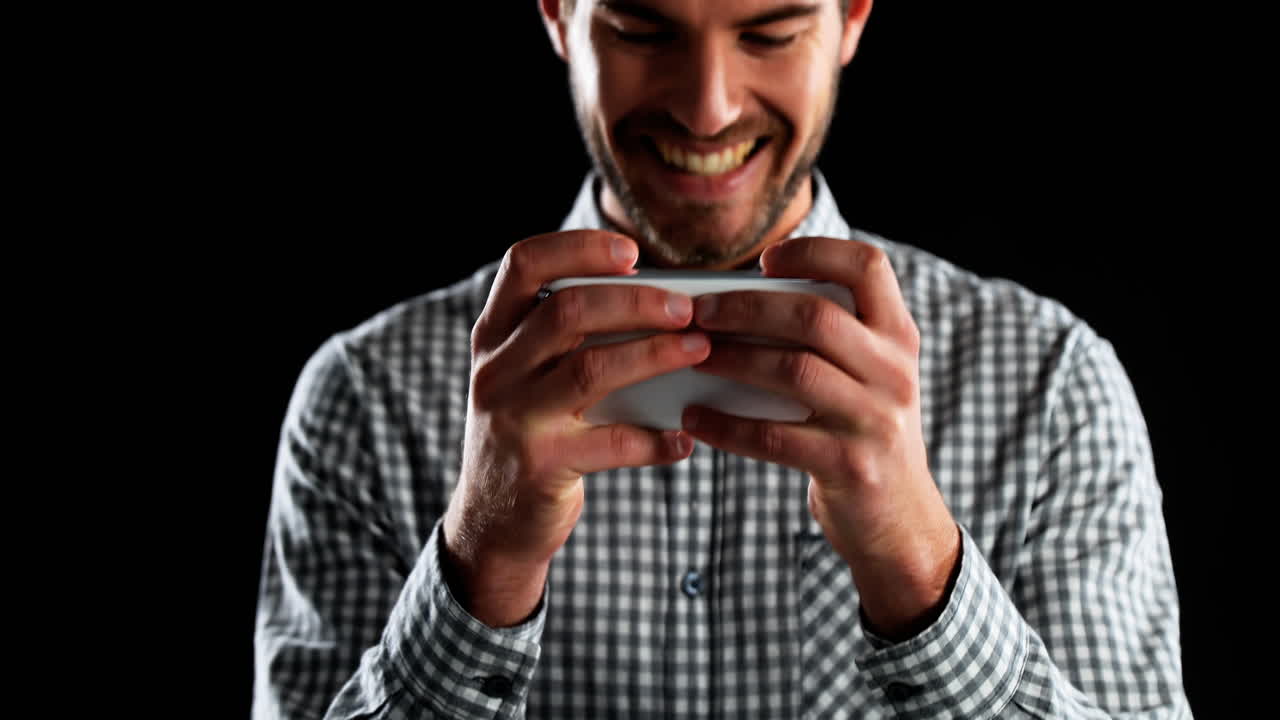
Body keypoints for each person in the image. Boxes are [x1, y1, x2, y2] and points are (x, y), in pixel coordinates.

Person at [254, 1, 1191, 718]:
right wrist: (480, 564)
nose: (709, 109)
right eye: (640, 28)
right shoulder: (368, 397)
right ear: (557, 15)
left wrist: (917, 567)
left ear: (851, 17)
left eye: (771, 33)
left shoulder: (1053, 386)